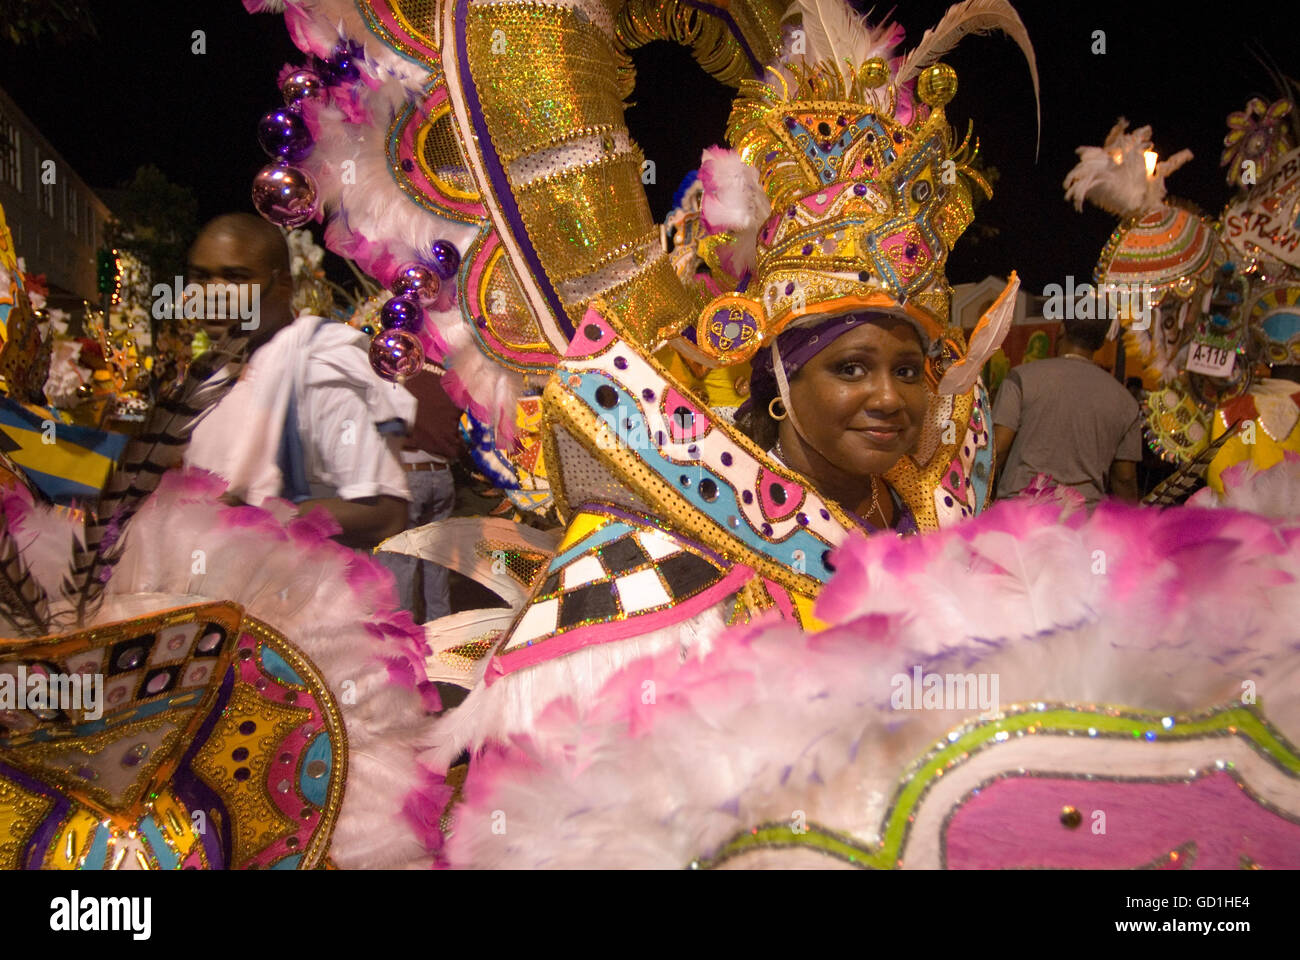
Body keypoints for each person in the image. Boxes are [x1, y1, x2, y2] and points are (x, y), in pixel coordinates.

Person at [184, 213, 413, 550]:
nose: (214, 292)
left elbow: (384, 512)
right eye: (201, 277)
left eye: (236, 277)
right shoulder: (210, 375)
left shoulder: (320, 363)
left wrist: (258, 519)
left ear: (284, 285)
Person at [736, 313, 928, 534]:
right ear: (783, 384)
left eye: (906, 372)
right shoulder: (734, 525)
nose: (889, 400)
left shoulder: (930, 500)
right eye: (851, 370)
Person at [993, 315, 1142, 507]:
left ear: (1062, 329)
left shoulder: (1021, 377)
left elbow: (999, 448)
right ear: (1101, 342)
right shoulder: (1126, 401)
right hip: (1081, 523)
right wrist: (1131, 521)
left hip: (1020, 516)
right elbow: (1124, 478)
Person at [376, 368, 464, 622]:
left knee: (399, 560)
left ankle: (402, 636)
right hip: (441, 474)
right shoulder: (450, 380)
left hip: (408, 474)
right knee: (435, 559)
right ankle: (439, 630)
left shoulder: (401, 378)